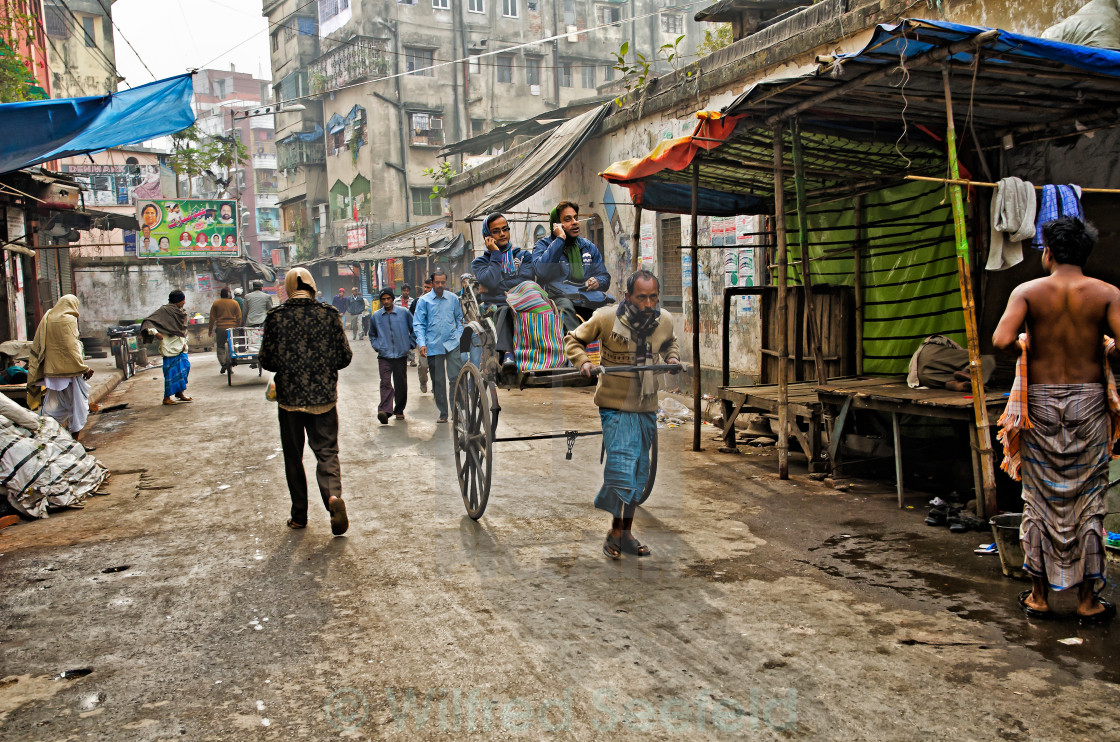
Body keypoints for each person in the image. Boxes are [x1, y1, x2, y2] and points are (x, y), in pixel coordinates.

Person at [993, 216, 1120, 623]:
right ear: (1085, 253)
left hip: (1041, 403)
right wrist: (1103, 346)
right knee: (1088, 500)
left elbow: (1000, 340)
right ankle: (1088, 601)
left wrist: (1028, 342)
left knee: (1039, 499)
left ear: (1047, 252)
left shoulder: (1028, 291)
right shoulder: (1106, 293)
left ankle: (1038, 597)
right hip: (1089, 401)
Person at [564, 269, 681, 560]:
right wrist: (583, 363)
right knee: (621, 469)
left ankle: (622, 532)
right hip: (614, 404)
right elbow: (573, 340)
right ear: (628, 297)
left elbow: (670, 343)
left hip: (646, 405)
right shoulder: (605, 318)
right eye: (641, 298)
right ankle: (619, 532)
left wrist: (672, 358)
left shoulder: (663, 321)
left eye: (653, 297)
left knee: (639, 471)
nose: (648, 303)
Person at [259, 267, 353, 535]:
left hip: (289, 400)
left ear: (289, 287)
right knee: (327, 454)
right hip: (324, 399)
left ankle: (299, 516)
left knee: (293, 457)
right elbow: (344, 357)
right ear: (313, 286)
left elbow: (267, 360)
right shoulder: (329, 315)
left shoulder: (276, 317)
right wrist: (322, 366)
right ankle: (333, 498)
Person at [533, 200, 613, 333]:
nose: (575, 222)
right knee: (565, 308)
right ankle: (575, 346)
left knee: (610, 314)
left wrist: (597, 282)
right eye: (568, 219)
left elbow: (604, 276)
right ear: (556, 224)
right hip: (557, 299)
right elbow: (541, 271)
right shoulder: (543, 246)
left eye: (575, 218)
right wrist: (559, 240)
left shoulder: (587, 247)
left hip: (586, 297)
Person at [471, 212, 537, 372]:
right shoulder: (480, 262)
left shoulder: (524, 256)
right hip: (497, 307)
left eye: (505, 229)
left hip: (524, 303)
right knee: (506, 309)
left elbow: (526, 281)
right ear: (487, 236)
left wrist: (496, 285)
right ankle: (508, 354)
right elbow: (491, 280)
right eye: (496, 231)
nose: (502, 234)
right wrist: (495, 254)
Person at [26, 295, 95, 444]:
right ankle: (74, 443)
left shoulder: (48, 317)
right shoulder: (69, 320)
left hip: (51, 372)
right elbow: (71, 347)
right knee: (79, 407)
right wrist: (83, 368)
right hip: (70, 371)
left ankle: (45, 435)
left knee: (53, 405)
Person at [413, 268, 463, 423]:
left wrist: (459, 337)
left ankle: (456, 411)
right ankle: (443, 412)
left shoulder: (453, 299)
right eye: (437, 282)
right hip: (433, 345)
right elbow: (419, 324)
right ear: (432, 283)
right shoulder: (424, 301)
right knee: (438, 381)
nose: (440, 285)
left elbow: (460, 320)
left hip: (452, 343)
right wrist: (421, 343)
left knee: (455, 378)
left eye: (443, 282)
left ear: (445, 282)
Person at [369, 288, 416, 424]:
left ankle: (399, 409)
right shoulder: (376, 316)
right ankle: (385, 411)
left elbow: (414, 329)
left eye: (388, 299)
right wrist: (378, 346)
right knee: (385, 382)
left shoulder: (403, 313)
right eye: (383, 299)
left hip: (401, 355)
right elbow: (372, 334)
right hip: (384, 355)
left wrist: (410, 344)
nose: (386, 301)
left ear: (392, 299)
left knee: (400, 383)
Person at [141, 290, 193, 406]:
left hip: (181, 346)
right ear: (178, 300)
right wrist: (155, 333)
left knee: (185, 368)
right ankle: (167, 398)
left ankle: (180, 393)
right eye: (183, 299)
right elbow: (148, 322)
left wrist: (185, 341)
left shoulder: (181, 312)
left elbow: (183, 329)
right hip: (169, 347)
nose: (184, 302)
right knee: (170, 373)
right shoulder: (164, 311)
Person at [208, 288, 242, 375]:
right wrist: (237, 327)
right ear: (228, 294)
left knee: (220, 346)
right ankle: (232, 361)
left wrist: (210, 330)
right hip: (232, 328)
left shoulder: (216, 303)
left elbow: (212, 318)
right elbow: (239, 317)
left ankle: (223, 363)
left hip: (221, 328)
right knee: (234, 345)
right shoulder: (234, 303)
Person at [412, 278, 432, 391]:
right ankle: (423, 381)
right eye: (425, 287)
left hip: (436, 339)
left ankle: (436, 386)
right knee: (423, 365)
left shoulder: (440, 301)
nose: (425, 289)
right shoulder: (418, 302)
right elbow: (413, 320)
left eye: (428, 287)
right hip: (423, 339)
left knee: (436, 366)